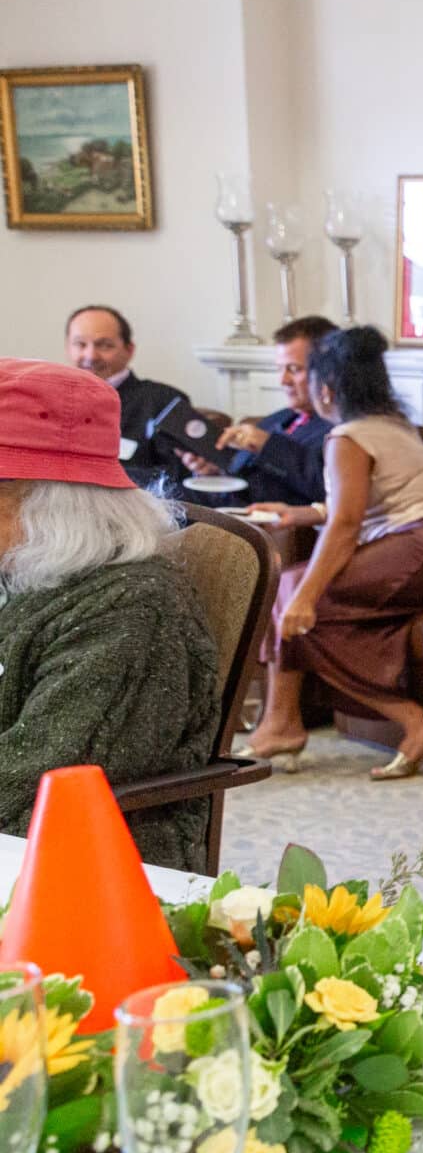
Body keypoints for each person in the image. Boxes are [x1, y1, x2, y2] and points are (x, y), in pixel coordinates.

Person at [0, 360, 220, 871]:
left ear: (51, 506)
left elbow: (35, 780)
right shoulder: (25, 569)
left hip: (73, 874)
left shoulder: (131, 609)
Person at [243, 326, 423, 779]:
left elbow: (348, 523)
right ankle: (282, 722)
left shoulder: (348, 436)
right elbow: (358, 505)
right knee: (295, 595)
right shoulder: (389, 424)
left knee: (297, 597)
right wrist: (300, 514)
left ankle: (408, 721)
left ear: (326, 389)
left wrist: (306, 595)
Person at [181, 315, 337, 507]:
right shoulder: (278, 418)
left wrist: (267, 445)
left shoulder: (342, 426)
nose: (283, 381)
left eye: (294, 369)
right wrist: (216, 470)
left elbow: (328, 486)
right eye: (280, 369)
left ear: (328, 369)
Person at [63, 304, 186, 488]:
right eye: (80, 344)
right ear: (68, 348)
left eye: (104, 345)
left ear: (129, 350)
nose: (90, 355)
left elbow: (174, 479)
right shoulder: (53, 401)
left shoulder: (165, 401)